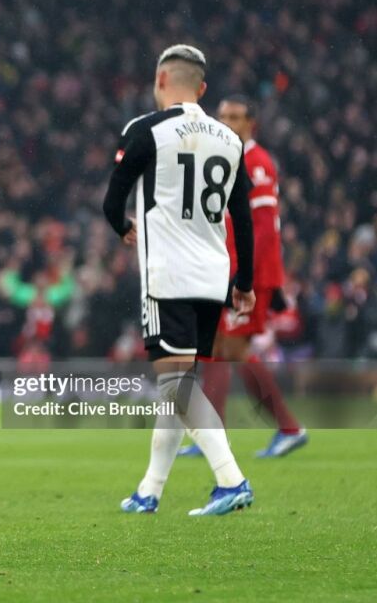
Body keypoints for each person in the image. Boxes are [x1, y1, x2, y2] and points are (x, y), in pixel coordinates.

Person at [102, 45, 255, 516]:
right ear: (203, 88)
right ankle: (149, 490)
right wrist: (245, 281)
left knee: (174, 387)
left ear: (161, 79)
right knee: (179, 386)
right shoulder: (230, 140)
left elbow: (112, 200)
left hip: (168, 275)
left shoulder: (146, 130)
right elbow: (243, 216)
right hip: (212, 278)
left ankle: (231, 480)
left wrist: (122, 226)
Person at [178, 95, 307, 459]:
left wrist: (244, 277)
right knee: (216, 350)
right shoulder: (227, 159)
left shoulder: (257, 162)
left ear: (252, 123)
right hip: (227, 270)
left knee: (234, 350)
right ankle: (213, 437)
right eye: (223, 117)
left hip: (249, 276)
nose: (227, 123)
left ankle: (290, 428)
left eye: (235, 117)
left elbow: (262, 229)